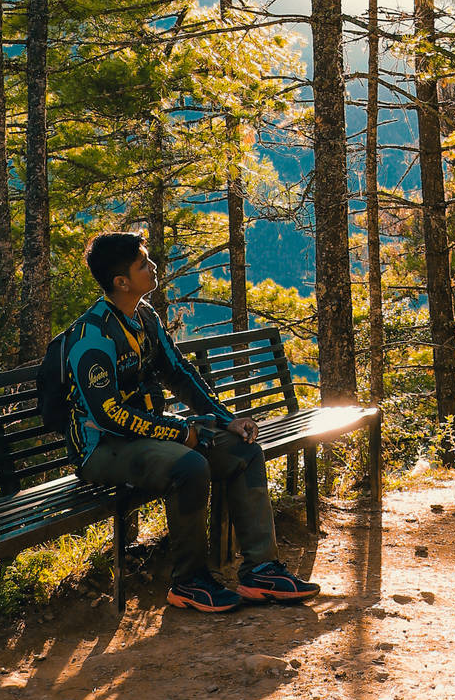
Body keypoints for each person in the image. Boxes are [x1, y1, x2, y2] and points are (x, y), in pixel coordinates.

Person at [61, 230, 319, 616]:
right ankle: (189, 582)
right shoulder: (92, 336)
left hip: (144, 435)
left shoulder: (143, 317)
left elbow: (180, 374)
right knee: (189, 465)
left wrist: (227, 420)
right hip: (102, 448)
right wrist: (181, 432)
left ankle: (260, 571)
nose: (153, 267)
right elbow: (108, 415)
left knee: (241, 450)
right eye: (143, 264)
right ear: (121, 282)